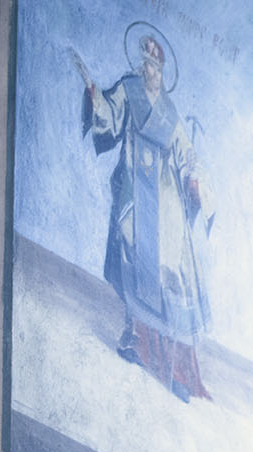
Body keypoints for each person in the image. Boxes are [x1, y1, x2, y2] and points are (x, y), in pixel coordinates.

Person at [73, 34, 211, 402]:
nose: (148, 70)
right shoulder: (129, 89)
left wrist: (194, 179)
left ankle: (165, 354)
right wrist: (94, 95)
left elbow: (186, 153)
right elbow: (109, 115)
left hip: (165, 201)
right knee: (133, 255)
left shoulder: (169, 109)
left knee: (166, 269)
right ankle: (134, 335)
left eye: (154, 66)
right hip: (136, 188)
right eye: (145, 63)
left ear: (162, 71)